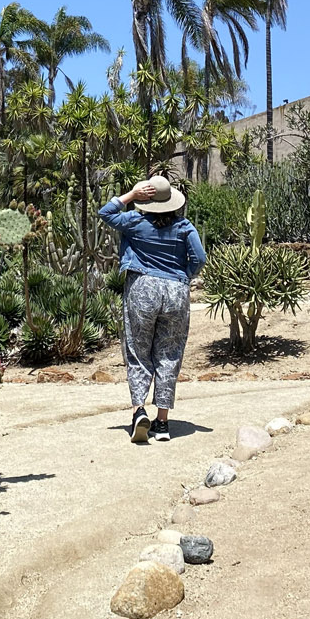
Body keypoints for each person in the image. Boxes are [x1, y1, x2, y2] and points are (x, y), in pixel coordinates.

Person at [98, 176, 207, 443]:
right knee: (169, 355)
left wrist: (132, 195)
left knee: (137, 351)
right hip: (176, 292)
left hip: (142, 288)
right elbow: (200, 258)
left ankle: (138, 412)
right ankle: (162, 423)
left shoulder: (134, 223)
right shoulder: (184, 226)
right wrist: (183, 276)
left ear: (148, 200)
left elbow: (106, 212)